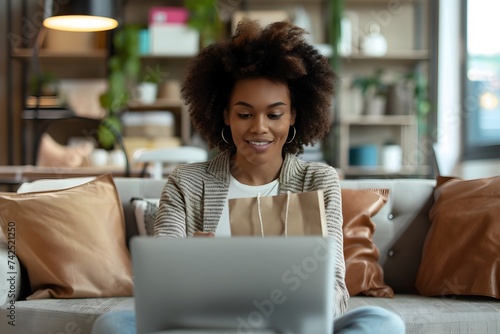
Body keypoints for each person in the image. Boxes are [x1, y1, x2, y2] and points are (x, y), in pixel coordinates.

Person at [92, 19, 405, 334]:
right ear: (225, 116)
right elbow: (159, 287)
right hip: (206, 324)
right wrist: (192, 263)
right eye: (244, 114)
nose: (259, 127)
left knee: (383, 322)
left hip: (290, 326)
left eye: (274, 114)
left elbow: (336, 292)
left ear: (294, 115)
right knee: (112, 324)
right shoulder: (186, 183)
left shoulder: (318, 180)